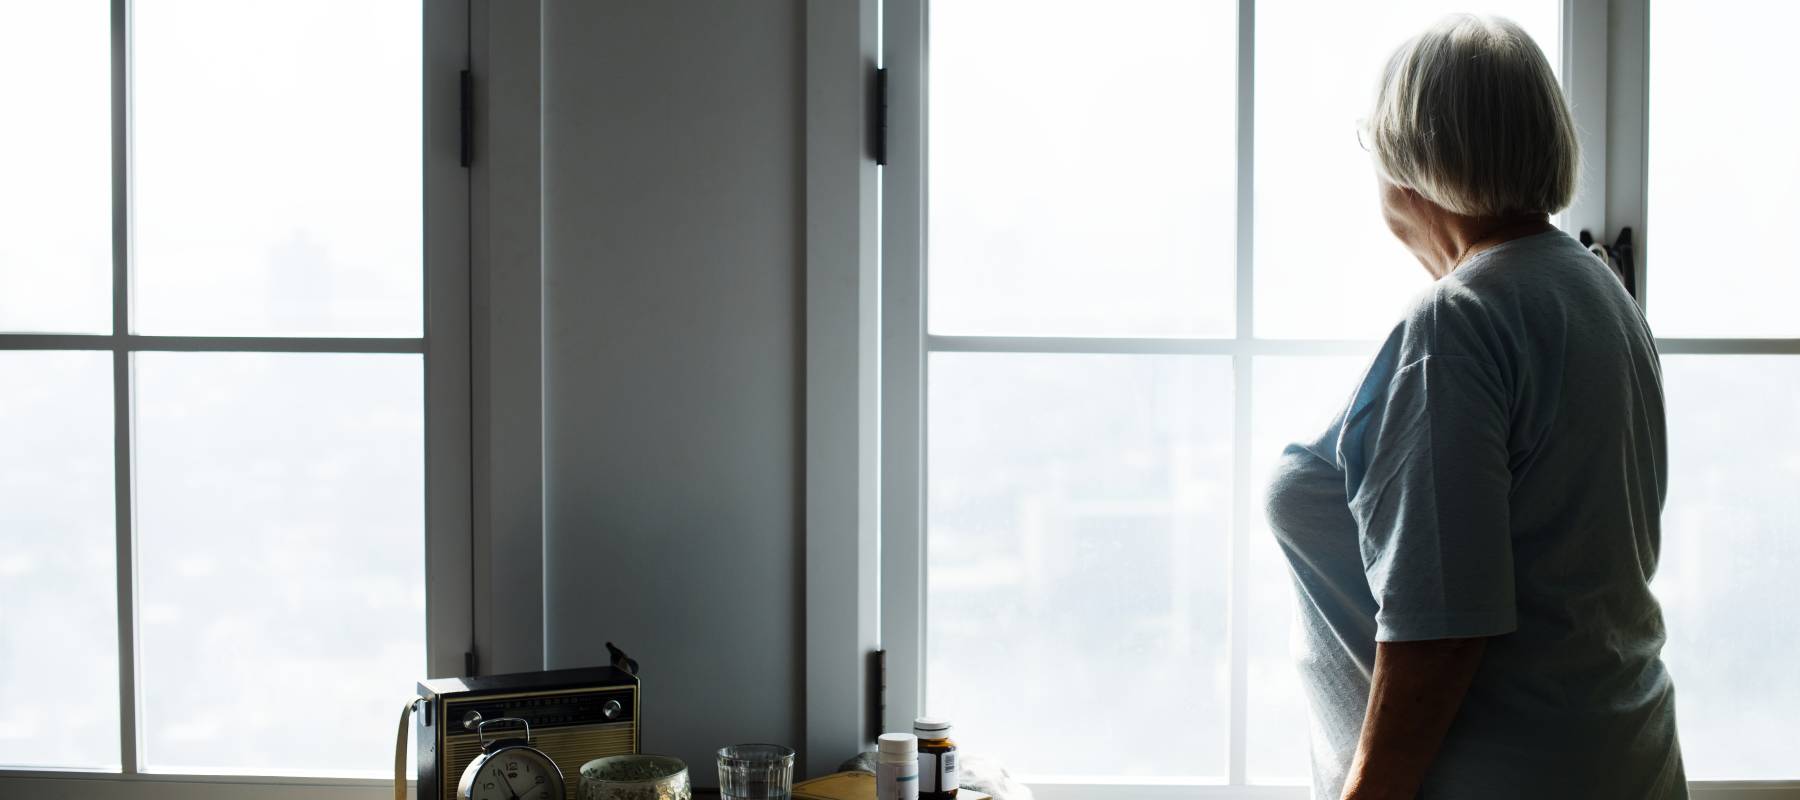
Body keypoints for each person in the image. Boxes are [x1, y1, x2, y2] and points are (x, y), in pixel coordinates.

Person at [1264, 14, 1685, 799]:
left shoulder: (1459, 318)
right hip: (1624, 758)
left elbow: (1442, 628)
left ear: (1406, 154)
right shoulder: (1598, 292)